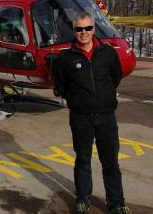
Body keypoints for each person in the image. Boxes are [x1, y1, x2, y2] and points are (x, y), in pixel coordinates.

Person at [53, 13, 132, 214]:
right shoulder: (65, 57)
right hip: (81, 118)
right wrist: (78, 101)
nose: (84, 33)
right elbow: (60, 85)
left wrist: (103, 97)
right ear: (74, 31)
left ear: (94, 29)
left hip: (106, 116)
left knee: (111, 162)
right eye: (79, 29)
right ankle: (83, 199)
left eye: (87, 28)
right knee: (82, 160)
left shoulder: (108, 53)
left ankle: (116, 203)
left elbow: (115, 77)